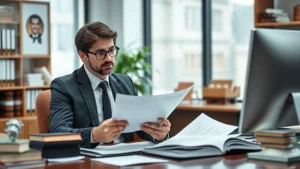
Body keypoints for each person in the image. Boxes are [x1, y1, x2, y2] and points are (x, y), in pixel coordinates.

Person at [49, 21, 171, 148]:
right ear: (83, 55)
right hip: (88, 161)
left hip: (124, 158)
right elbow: (59, 132)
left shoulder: (125, 83)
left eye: (111, 50)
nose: (109, 58)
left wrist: (160, 135)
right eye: (100, 53)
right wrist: (94, 134)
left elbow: (142, 127)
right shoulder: (64, 87)